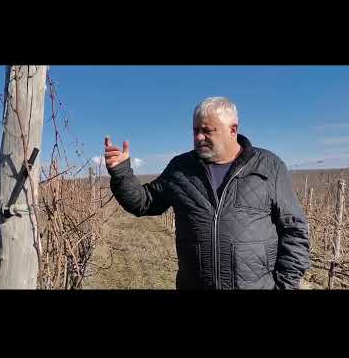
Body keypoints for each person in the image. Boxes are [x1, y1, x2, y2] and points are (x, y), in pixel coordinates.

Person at [104, 97, 310, 289]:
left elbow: (294, 229)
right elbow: (144, 202)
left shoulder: (268, 166)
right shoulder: (181, 168)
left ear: (233, 130)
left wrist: (286, 284)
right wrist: (121, 173)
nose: (199, 137)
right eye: (195, 130)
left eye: (207, 130)